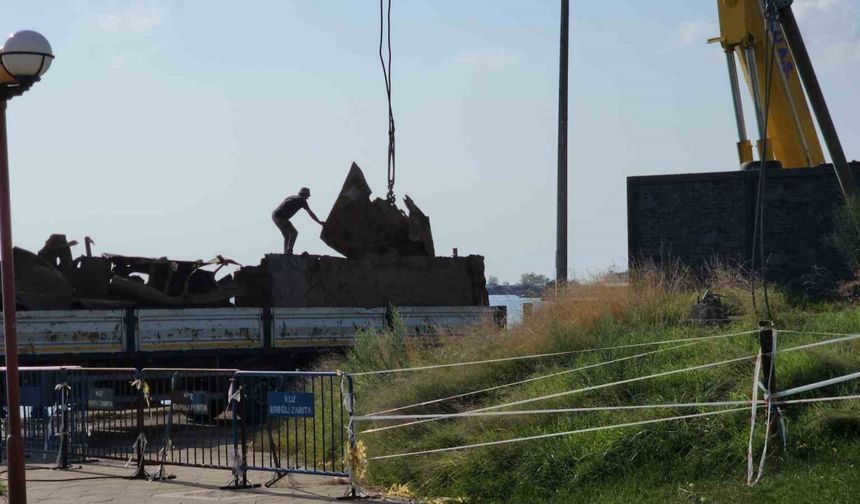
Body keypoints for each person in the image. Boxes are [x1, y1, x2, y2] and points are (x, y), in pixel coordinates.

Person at [272, 187, 324, 254]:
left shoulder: (292, 196)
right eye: (307, 196)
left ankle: (286, 253)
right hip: (281, 217)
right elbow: (310, 213)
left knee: (287, 236)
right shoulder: (302, 200)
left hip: (274, 215)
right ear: (304, 195)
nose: (308, 198)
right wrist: (319, 222)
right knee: (294, 233)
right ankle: (289, 251)